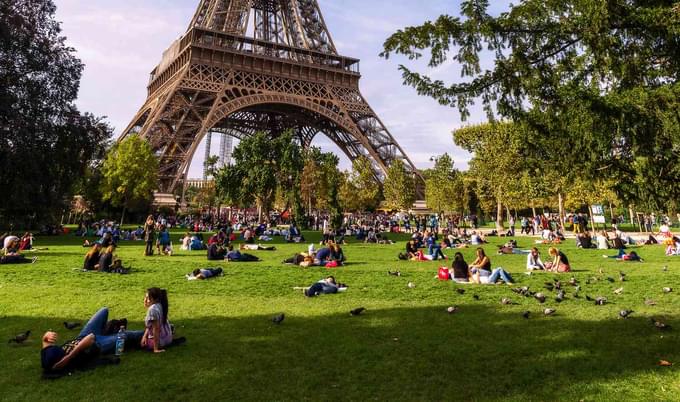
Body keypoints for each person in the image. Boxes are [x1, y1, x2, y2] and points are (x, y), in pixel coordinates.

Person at [41, 307, 143, 374]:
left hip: (82, 336)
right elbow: (90, 339)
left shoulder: (47, 355)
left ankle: (109, 330)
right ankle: (152, 334)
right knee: (130, 335)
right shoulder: (64, 361)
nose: (55, 345)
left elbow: (45, 344)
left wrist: (46, 337)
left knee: (104, 310)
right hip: (96, 344)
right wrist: (69, 356)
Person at [141, 288, 173, 353]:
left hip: (159, 341)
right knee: (137, 334)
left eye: (147, 298)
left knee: (128, 336)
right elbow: (151, 326)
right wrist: (144, 336)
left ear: (154, 299)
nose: (145, 300)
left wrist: (155, 349)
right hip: (166, 338)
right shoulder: (160, 305)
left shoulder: (153, 310)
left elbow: (156, 329)